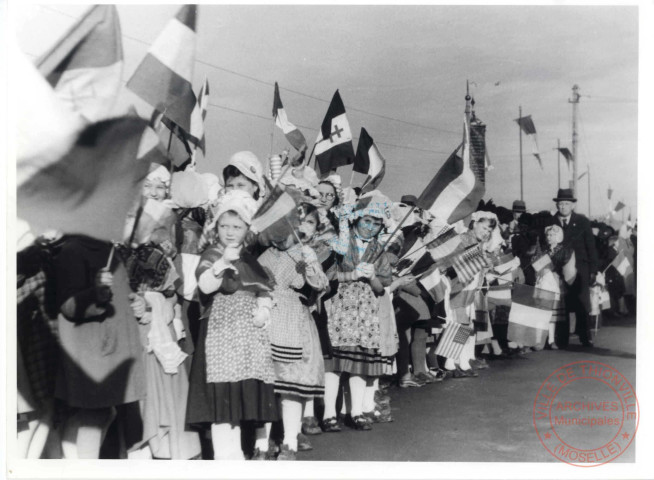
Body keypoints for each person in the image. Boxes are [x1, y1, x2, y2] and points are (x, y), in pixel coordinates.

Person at [186, 190, 278, 460]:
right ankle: (225, 457)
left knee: (235, 401)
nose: (229, 232)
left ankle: (235, 454)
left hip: (247, 337)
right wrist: (222, 264)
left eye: (236, 227)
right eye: (224, 225)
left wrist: (263, 310)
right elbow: (204, 285)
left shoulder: (250, 259)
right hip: (220, 334)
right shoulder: (212, 254)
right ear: (216, 227)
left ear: (246, 230)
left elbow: (263, 290)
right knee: (221, 401)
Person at [121, 166, 201, 459]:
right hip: (135, 312)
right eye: (149, 186)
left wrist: (170, 306)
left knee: (166, 379)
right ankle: (142, 448)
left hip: (162, 310)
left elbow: (174, 274)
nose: (155, 192)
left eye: (160, 187)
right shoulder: (128, 222)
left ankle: (168, 450)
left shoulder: (171, 223)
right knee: (142, 383)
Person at [52, 234, 146, 459]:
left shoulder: (106, 247)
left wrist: (135, 301)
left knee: (102, 415)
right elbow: (69, 305)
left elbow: (118, 293)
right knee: (94, 417)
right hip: (92, 349)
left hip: (108, 346)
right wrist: (95, 294)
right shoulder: (73, 250)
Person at [258, 203, 330, 460]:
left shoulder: (305, 253)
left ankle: (288, 441)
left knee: (290, 385)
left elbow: (321, 285)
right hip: (265, 320)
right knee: (265, 385)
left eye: (307, 223)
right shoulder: (265, 254)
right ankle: (262, 444)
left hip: (292, 321)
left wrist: (311, 264)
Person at [323, 192, 393, 431]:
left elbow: (382, 289)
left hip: (365, 314)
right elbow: (327, 275)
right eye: (366, 221)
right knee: (335, 364)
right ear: (356, 219)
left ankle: (355, 412)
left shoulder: (379, 250)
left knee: (360, 363)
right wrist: (351, 275)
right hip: (339, 308)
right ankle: (329, 413)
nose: (371, 227)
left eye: (376, 224)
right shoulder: (342, 240)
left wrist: (372, 276)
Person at [551, 189, 598, 347]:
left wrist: (593, 270)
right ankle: (562, 338)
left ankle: (585, 337)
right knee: (562, 303)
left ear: (572, 205)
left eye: (566, 204)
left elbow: (591, 246)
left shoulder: (582, 221)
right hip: (558, 270)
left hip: (580, 270)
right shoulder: (552, 222)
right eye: (560, 204)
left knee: (582, 304)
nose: (563, 207)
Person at [532, 225, 576, 350]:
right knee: (541, 312)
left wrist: (557, 273)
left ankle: (551, 340)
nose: (549, 237)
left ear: (558, 236)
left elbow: (567, 268)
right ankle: (539, 340)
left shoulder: (564, 250)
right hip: (542, 283)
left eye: (552, 235)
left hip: (556, 283)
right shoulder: (543, 250)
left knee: (553, 314)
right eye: (548, 235)